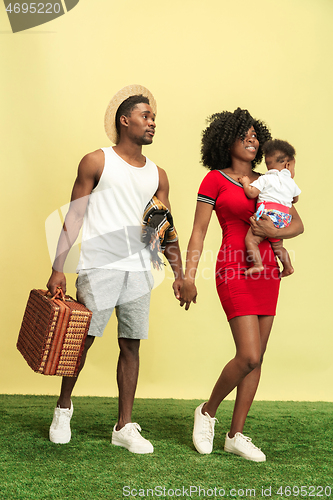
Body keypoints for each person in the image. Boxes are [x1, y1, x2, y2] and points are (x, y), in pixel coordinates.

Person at [46, 84, 183, 454]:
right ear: (125, 121)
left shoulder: (158, 174)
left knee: (131, 344)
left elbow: (164, 225)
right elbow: (74, 216)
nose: (152, 123)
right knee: (82, 340)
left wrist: (181, 274)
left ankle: (124, 426)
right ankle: (63, 408)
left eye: (154, 117)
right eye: (146, 116)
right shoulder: (96, 161)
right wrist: (58, 268)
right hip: (99, 264)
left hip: (140, 269)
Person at [179, 108, 303, 462]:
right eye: (243, 134)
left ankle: (236, 434)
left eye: (255, 135)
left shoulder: (271, 178)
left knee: (257, 357)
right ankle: (207, 411)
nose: (252, 139)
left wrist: (274, 232)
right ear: (226, 140)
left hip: (266, 271)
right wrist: (188, 275)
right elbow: (199, 232)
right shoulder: (215, 180)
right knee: (247, 354)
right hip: (234, 267)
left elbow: (297, 223)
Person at [238, 139, 301, 277]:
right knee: (278, 247)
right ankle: (288, 267)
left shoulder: (265, 179)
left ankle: (258, 264)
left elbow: (251, 193)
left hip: (267, 215)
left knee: (251, 240)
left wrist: (246, 182)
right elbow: (295, 199)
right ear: (288, 165)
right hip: (283, 219)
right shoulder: (291, 182)